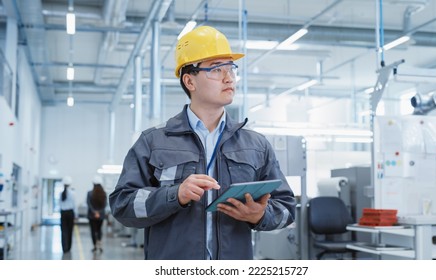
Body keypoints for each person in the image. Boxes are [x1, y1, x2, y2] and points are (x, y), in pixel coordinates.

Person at [109, 25, 296, 260]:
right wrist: (175, 195)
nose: (229, 78)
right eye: (217, 69)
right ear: (190, 81)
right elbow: (122, 205)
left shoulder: (256, 145)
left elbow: (287, 208)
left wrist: (259, 215)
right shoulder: (154, 142)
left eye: (231, 68)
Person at [87, 176, 107, 253]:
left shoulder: (89, 193)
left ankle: (94, 246)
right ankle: (100, 244)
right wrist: (99, 212)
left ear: (93, 184)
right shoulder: (104, 193)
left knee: (93, 230)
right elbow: (105, 205)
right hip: (101, 215)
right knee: (99, 230)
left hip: (91, 215)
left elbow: (89, 204)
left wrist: (94, 212)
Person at [59, 176, 77, 253]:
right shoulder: (73, 193)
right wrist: (76, 215)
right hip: (70, 213)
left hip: (63, 213)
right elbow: (74, 205)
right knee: (70, 230)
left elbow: (59, 204)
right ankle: (69, 247)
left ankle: (64, 248)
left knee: (63, 230)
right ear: (70, 184)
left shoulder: (61, 193)